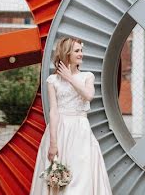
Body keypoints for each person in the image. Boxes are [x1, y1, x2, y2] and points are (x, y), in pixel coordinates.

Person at [30, 37, 112, 195]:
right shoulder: (52, 80)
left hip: (80, 131)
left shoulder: (87, 76)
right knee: (57, 178)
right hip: (59, 130)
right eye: (77, 51)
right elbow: (53, 111)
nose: (81, 54)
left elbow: (88, 95)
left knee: (80, 176)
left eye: (81, 50)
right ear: (67, 53)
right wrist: (53, 142)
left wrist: (69, 78)